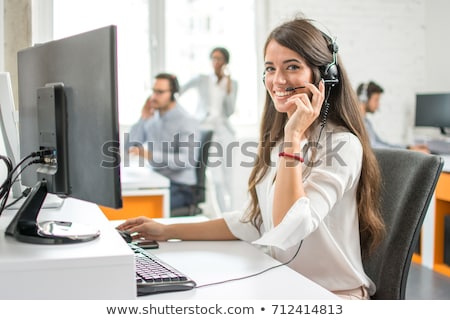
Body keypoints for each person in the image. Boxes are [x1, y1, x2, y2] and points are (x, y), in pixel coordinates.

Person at [119, 17, 385, 299]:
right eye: (270, 68)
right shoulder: (281, 141)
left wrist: (294, 135)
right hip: (285, 286)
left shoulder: (342, 145)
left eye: (292, 67)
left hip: (332, 295)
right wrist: (167, 230)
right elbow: (255, 221)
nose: (278, 80)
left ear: (324, 76)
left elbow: (288, 227)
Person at [128, 73, 199, 210]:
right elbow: (131, 146)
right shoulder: (153, 118)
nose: (154, 97)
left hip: (181, 187)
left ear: (173, 94)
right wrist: (143, 118)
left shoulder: (186, 121)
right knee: (128, 200)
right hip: (156, 180)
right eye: (153, 91)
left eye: (160, 92)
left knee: (140, 209)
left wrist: (151, 155)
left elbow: (187, 160)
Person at [179, 47, 238, 212]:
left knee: (228, 177)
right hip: (206, 130)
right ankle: (221, 215)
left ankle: (231, 214)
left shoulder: (232, 83)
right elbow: (179, 91)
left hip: (224, 132)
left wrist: (228, 91)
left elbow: (230, 111)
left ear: (225, 62)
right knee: (215, 177)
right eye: (213, 58)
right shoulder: (202, 79)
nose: (215, 62)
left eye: (219, 59)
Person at [356, 81, 429, 153]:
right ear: (364, 99)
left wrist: (408, 147)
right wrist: (409, 152)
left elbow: (382, 143)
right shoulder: (358, 123)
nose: (378, 105)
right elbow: (374, 148)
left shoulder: (367, 122)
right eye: (376, 100)